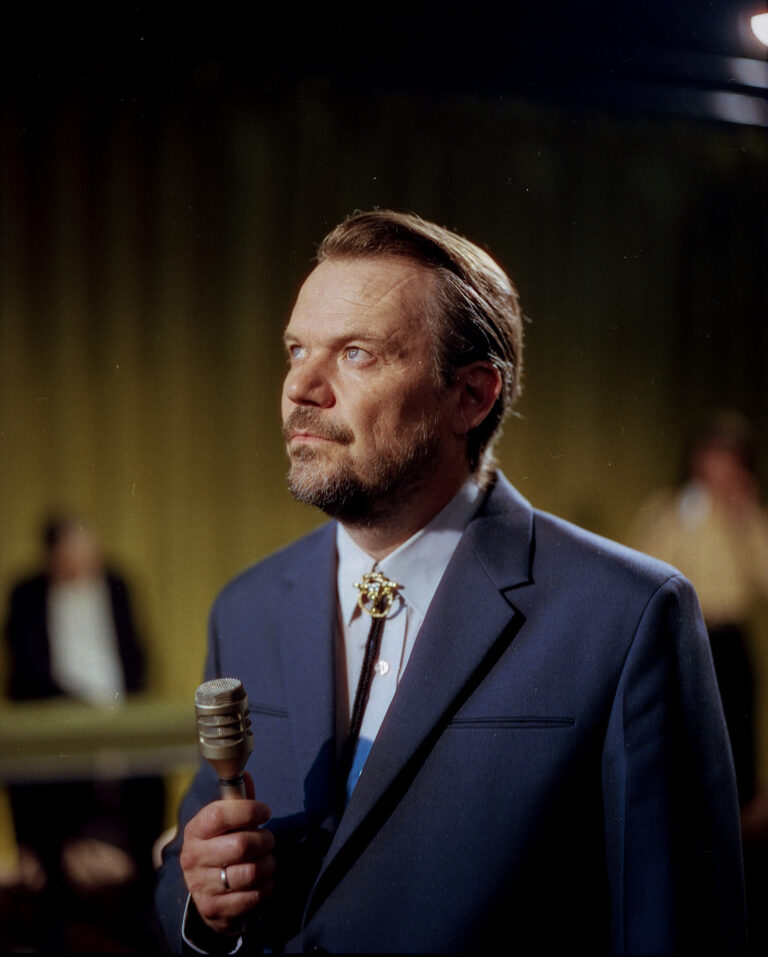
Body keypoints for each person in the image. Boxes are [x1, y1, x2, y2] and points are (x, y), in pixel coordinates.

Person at [156, 210, 746, 954]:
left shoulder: (625, 617)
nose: (301, 387)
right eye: (297, 349)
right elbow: (195, 868)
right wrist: (202, 905)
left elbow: (678, 927)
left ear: (471, 395)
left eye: (357, 354)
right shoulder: (246, 608)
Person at [3, 514, 166, 951]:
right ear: (54, 553)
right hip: (57, 731)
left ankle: (142, 908)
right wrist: (80, 709)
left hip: (118, 724)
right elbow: (28, 669)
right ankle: (52, 914)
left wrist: (114, 712)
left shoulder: (116, 584)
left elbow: (136, 655)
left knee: (149, 779)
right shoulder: (27, 593)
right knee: (43, 790)